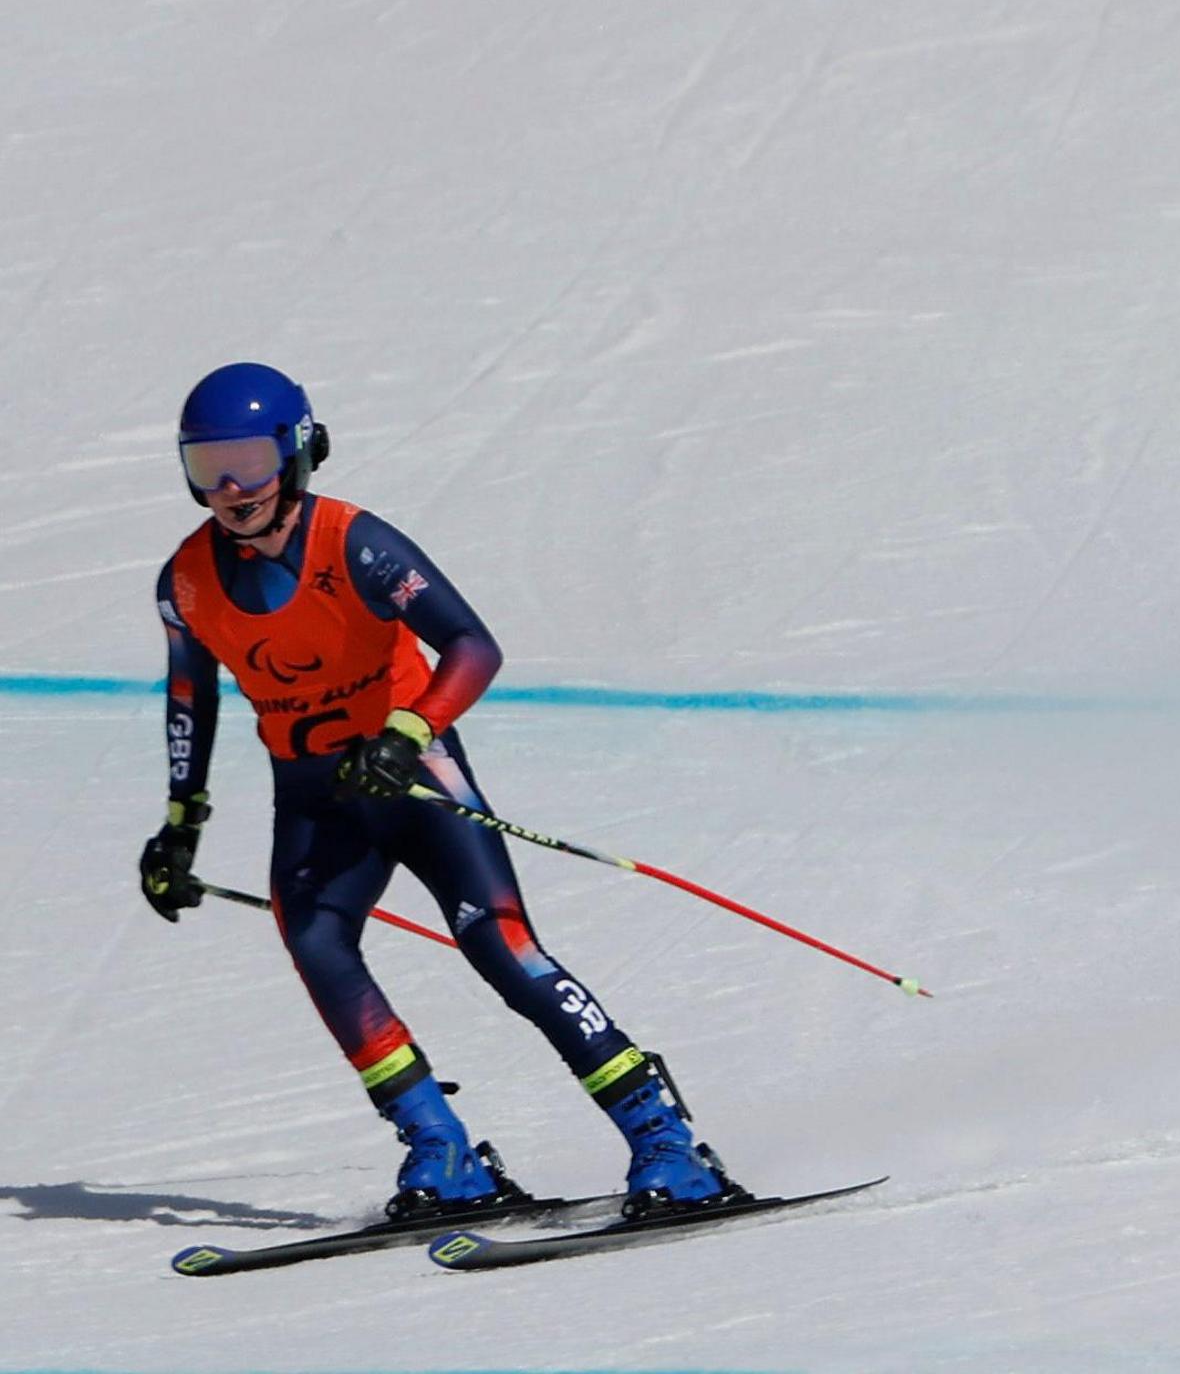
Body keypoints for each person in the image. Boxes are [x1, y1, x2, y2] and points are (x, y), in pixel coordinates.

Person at [137, 363, 744, 1222]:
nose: (231, 489)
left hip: (413, 780)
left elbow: (471, 646)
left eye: (248, 461)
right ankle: (443, 1150)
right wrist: (177, 827)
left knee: (502, 951)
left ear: (298, 452)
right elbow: (189, 698)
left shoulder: (356, 542)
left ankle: (668, 1143)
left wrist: (408, 733)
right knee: (318, 948)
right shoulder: (186, 584)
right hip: (313, 798)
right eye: (207, 467)